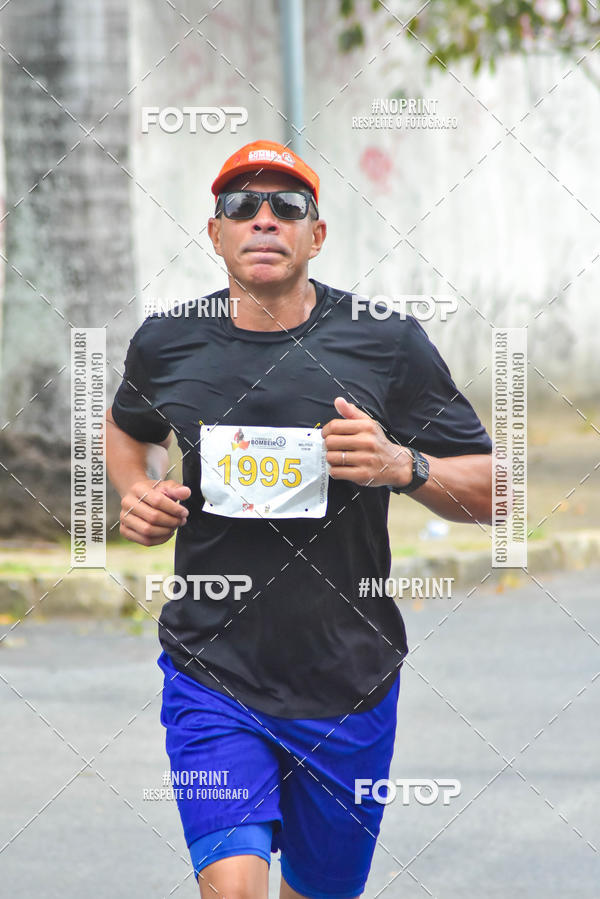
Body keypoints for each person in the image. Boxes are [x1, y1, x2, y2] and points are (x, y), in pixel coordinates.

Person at [106, 139, 493, 899]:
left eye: (287, 206)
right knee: (236, 887)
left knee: (318, 892)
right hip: (212, 670)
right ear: (213, 231)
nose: (262, 219)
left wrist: (402, 465)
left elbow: (495, 488)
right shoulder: (166, 341)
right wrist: (135, 490)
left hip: (348, 679)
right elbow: (128, 427)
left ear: (317, 235)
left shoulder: (386, 342)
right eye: (239, 206)